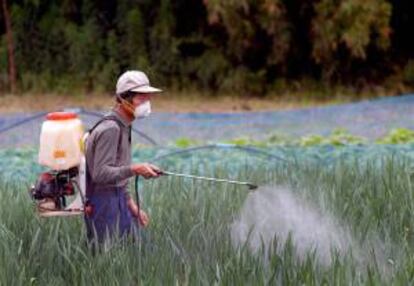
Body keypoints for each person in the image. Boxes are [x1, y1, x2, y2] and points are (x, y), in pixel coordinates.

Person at [84, 70, 162, 246]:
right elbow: (101, 174)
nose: (147, 103)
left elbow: (118, 169)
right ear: (124, 98)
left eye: (148, 98)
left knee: (135, 256)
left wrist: (131, 205)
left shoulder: (124, 125)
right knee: (107, 260)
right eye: (141, 98)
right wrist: (135, 169)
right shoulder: (111, 128)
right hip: (103, 203)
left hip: (119, 199)